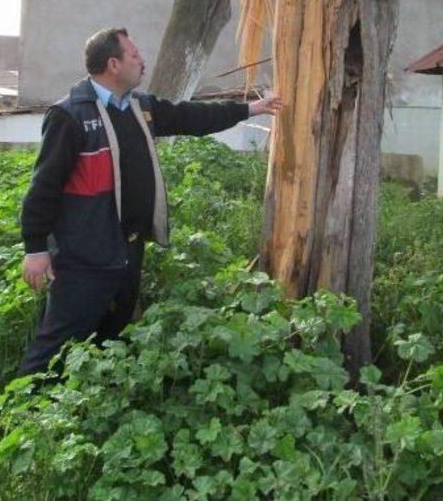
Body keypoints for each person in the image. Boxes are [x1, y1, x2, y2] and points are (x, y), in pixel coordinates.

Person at [18, 27, 283, 375]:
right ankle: (23, 416)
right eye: (134, 55)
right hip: (84, 256)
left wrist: (251, 109)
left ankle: (85, 410)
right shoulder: (71, 115)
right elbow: (44, 187)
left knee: (112, 332)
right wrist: (35, 248)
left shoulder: (139, 108)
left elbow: (191, 117)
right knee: (56, 345)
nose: (142, 61)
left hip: (127, 247)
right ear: (113, 64)